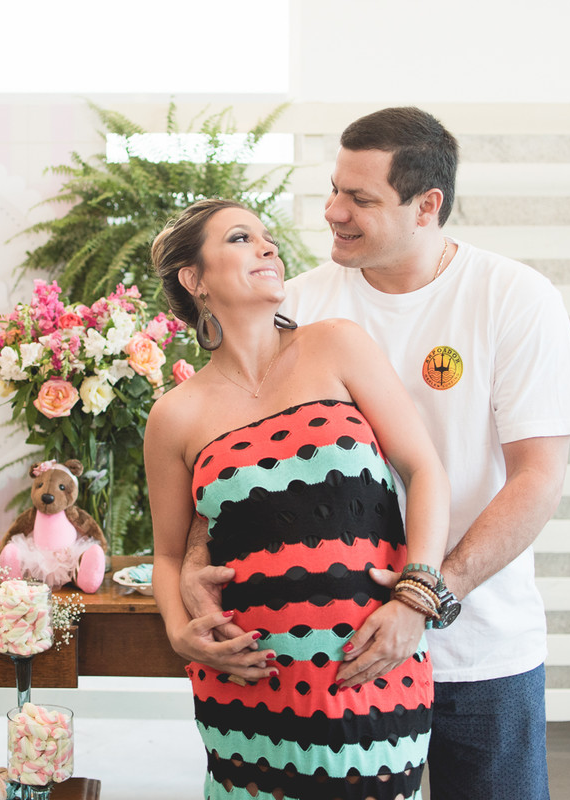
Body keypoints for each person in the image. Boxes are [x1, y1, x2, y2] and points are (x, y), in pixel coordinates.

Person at [181, 107, 570, 800]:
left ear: (426, 205)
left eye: (361, 199)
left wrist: (424, 596)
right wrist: (196, 561)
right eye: (335, 189)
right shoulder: (297, 304)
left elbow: (538, 480)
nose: (334, 212)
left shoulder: (514, 299)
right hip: (329, 657)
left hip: (481, 651)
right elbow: (228, 446)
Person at [144, 197, 450, 799]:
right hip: (247, 682)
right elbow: (169, 556)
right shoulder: (175, 415)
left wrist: (417, 598)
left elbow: (424, 470)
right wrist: (181, 633)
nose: (267, 247)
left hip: (370, 663)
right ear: (194, 279)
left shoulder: (336, 345)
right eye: (240, 238)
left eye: (267, 236)